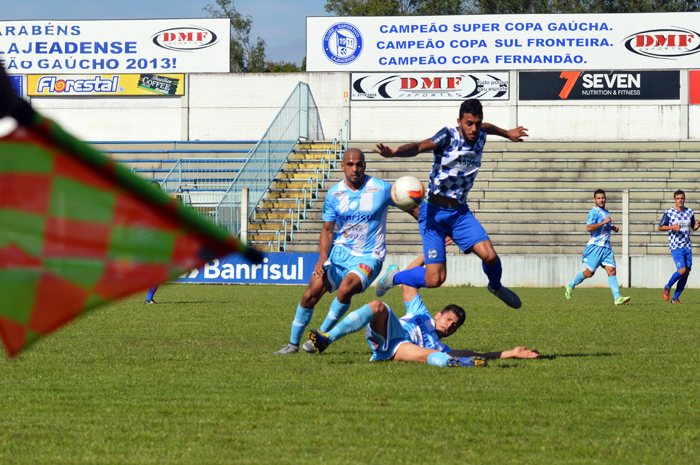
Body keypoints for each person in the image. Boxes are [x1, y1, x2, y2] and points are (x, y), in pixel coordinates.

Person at [372, 98, 526, 309]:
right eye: (468, 123)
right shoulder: (448, 136)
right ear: (459, 121)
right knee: (435, 280)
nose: (473, 128)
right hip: (433, 214)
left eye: (477, 123)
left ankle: (496, 286)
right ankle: (395, 277)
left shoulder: (481, 132)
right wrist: (395, 152)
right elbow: (419, 146)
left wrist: (507, 133)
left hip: (459, 213)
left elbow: (488, 128)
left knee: (489, 256)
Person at [274, 148, 415, 354]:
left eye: (359, 164)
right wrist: (323, 258)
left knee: (346, 288)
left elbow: (412, 206)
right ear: (342, 166)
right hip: (339, 254)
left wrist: (435, 229)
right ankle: (292, 345)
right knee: (309, 295)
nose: (355, 169)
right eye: (350, 164)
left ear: (365, 165)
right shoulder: (334, 194)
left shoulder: (382, 189)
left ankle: (320, 337)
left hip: (369, 256)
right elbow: (327, 230)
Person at [308, 254, 539, 367]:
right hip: (387, 333)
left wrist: (510, 352)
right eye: (449, 319)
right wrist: (429, 254)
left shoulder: (441, 345)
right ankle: (327, 338)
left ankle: (459, 365)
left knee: (431, 354)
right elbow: (408, 281)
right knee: (379, 306)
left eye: (454, 325)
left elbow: (473, 351)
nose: (449, 325)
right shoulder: (422, 314)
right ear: (438, 314)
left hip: (402, 348)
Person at [565, 189, 630, 305]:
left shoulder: (606, 211)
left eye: (603, 197)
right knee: (589, 273)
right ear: (594, 200)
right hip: (595, 247)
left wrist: (611, 227)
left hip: (606, 247)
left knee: (612, 270)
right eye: (599, 198)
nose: (601, 200)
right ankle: (571, 285)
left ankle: (617, 298)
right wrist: (604, 222)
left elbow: (603, 228)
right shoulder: (593, 212)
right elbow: (589, 228)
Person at [658, 189, 699, 304]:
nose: (680, 200)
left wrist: (696, 226)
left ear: (684, 199)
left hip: (687, 246)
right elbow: (660, 227)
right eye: (678, 198)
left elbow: (693, 227)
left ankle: (675, 298)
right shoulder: (669, 212)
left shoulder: (689, 212)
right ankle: (667, 286)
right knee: (682, 270)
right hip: (676, 246)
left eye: (682, 198)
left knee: (686, 272)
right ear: (674, 200)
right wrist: (672, 227)